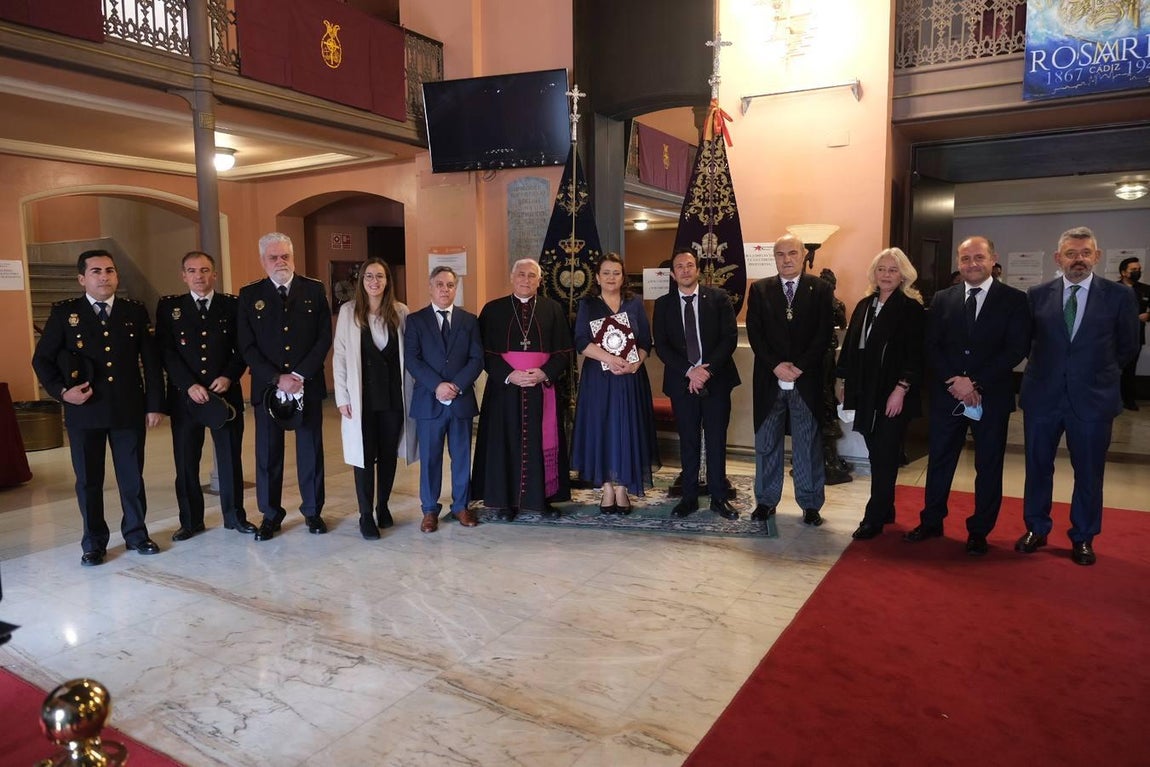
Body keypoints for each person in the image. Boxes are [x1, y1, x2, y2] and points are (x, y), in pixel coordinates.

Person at [31, 249, 165, 566]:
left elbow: (151, 361)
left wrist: (154, 404)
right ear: (82, 279)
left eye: (109, 270)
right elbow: (42, 359)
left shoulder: (134, 311)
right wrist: (63, 393)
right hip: (85, 411)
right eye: (96, 272)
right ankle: (93, 542)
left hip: (127, 409)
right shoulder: (66, 314)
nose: (104, 277)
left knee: (132, 478)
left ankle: (136, 533)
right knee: (89, 481)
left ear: (116, 275)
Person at [1017, 226, 1140, 566]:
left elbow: (1128, 345)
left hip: (1093, 400)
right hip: (1043, 396)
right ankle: (1036, 528)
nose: (1078, 260)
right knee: (1037, 467)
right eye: (1071, 254)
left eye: (1085, 253)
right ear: (1059, 258)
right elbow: (1028, 342)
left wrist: (1098, 374)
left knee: (1088, 473)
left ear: (1096, 257)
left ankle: (1083, 536)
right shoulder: (1037, 294)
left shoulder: (1118, 296)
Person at [905, 236, 1030, 555]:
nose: (971, 264)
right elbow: (931, 345)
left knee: (988, 466)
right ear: (958, 263)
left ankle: (979, 531)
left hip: (991, 396)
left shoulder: (1014, 299)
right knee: (939, 461)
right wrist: (955, 381)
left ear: (993, 260)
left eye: (978, 257)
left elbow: (1015, 349)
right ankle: (931, 521)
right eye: (965, 259)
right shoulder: (944, 298)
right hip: (948, 395)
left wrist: (974, 382)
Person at [237, 232, 333, 541]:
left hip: (307, 385)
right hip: (268, 388)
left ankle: (313, 511)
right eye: (273, 257)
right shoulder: (250, 294)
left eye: (285, 256)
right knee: (268, 454)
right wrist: (278, 378)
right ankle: (270, 514)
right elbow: (247, 345)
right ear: (262, 261)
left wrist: (300, 375)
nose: (281, 262)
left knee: (310, 451)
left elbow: (323, 338)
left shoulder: (314, 290)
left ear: (293, 257)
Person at [154, 251, 256, 541]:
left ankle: (235, 516)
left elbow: (243, 347)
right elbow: (166, 351)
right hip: (186, 398)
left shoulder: (232, 305)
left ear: (215, 274)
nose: (199, 276)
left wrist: (228, 375)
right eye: (192, 270)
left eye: (204, 270)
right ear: (183, 275)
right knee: (186, 462)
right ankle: (190, 521)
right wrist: (187, 384)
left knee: (230, 458)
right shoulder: (170, 308)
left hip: (224, 395)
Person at [472, 258, 573, 519]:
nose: (526, 280)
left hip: (541, 390)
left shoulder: (553, 309)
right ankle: (503, 502)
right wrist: (509, 375)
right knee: (503, 442)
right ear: (511, 277)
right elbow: (482, 352)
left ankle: (541, 500)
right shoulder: (493, 310)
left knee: (541, 443)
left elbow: (564, 351)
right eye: (521, 274)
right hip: (504, 391)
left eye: (531, 276)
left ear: (540, 281)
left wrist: (544, 373)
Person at [835, 248, 925, 539]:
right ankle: (886, 509)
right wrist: (842, 381)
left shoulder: (910, 308)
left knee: (885, 453)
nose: (886, 275)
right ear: (874, 273)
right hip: (866, 390)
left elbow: (916, 356)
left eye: (893, 270)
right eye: (882, 269)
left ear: (903, 275)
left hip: (893, 392)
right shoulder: (864, 305)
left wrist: (900, 389)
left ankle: (873, 517)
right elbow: (850, 347)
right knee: (876, 452)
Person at [745, 234, 834, 526]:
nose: (787, 259)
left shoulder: (820, 289)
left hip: (805, 380)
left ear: (802, 256)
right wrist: (776, 366)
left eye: (792, 253)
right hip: (770, 380)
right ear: (775, 258)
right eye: (781, 254)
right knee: (767, 442)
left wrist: (798, 368)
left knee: (807, 445)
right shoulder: (759, 289)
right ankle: (766, 502)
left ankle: (810, 504)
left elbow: (823, 335)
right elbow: (755, 334)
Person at [333, 257, 417, 540]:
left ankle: (383, 506)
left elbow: (408, 358)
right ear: (361, 281)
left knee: (389, 455)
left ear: (387, 281)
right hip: (362, 398)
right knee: (364, 456)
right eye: (369, 276)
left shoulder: (401, 312)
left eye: (380, 276)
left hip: (393, 397)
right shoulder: (348, 312)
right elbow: (340, 356)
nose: (374, 281)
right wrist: (342, 396)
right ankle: (365, 514)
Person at [653, 250, 740, 520]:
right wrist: (690, 371)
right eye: (680, 267)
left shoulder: (719, 299)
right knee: (688, 441)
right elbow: (662, 346)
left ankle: (718, 498)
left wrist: (705, 371)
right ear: (672, 273)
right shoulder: (663, 304)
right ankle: (688, 498)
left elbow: (730, 339)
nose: (685, 270)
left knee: (716, 440)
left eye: (690, 265)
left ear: (698, 270)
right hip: (682, 383)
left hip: (717, 380)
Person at [571, 252, 659, 512]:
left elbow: (645, 342)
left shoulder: (635, 304)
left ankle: (623, 488)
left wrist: (636, 363)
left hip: (629, 379)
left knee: (627, 428)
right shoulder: (588, 305)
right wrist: (609, 359)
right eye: (606, 273)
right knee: (603, 429)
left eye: (616, 273)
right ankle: (607, 488)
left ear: (623, 277)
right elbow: (580, 341)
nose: (611, 277)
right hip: (599, 379)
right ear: (597, 277)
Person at [404, 266, 483, 533]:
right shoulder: (415, 321)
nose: (445, 290)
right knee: (430, 458)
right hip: (429, 400)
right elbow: (412, 360)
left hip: (460, 401)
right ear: (430, 287)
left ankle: (461, 506)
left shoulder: (469, 320)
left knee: (461, 457)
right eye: (439, 284)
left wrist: (457, 385)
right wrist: (437, 385)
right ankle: (429, 510)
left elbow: (477, 358)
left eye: (450, 285)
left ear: (455, 288)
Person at [1118, 256, 1150, 410]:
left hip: (1136, 337)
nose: (1137, 272)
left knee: (1130, 369)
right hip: (1114, 338)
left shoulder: (1145, 289)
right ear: (1124, 272)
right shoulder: (1112, 288)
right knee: (1113, 369)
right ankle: (1113, 399)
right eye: (1134, 270)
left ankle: (1129, 400)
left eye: (1139, 269)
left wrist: (1148, 316)